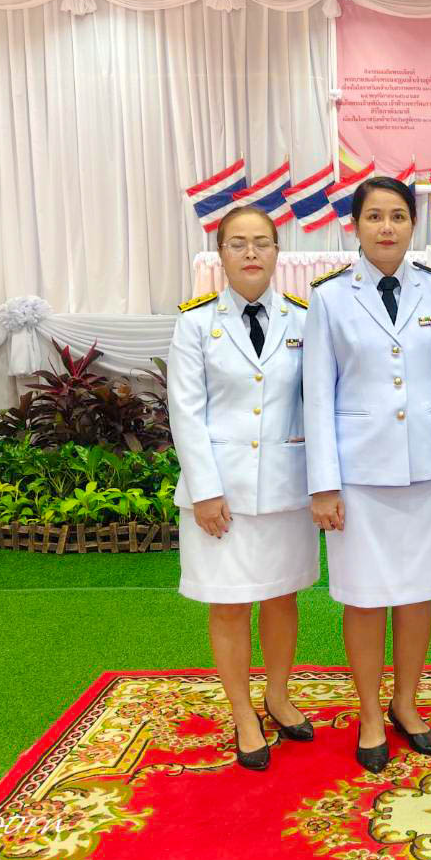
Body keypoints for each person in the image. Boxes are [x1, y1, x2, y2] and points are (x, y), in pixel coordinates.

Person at [303, 176, 431, 772]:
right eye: (374, 216)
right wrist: (324, 483)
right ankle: (371, 712)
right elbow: (317, 394)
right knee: (364, 596)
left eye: (398, 216)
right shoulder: (329, 298)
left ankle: (406, 702)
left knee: (418, 592)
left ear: (412, 225)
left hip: (428, 470)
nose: (386, 227)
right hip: (359, 474)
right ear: (354, 226)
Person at [168, 205, 318, 773]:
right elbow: (185, 411)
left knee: (282, 597)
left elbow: (315, 403)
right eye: (238, 243)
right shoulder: (194, 323)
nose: (251, 253)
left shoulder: (303, 319)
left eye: (261, 243)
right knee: (229, 604)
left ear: (278, 252)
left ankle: (277, 695)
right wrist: (205, 490)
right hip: (221, 494)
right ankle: (242, 712)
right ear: (221, 254)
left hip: (285, 487)